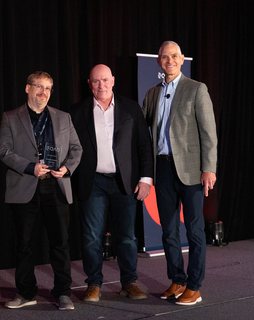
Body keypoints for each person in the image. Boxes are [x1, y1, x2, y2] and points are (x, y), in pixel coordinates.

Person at [0, 71, 82, 311]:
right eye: (38, 87)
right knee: (24, 244)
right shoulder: (10, 117)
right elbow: (2, 149)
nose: (43, 92)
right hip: (25, 184)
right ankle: (25, 293)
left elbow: (77, 148)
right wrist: (28, 167)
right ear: (27, 88)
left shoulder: (63, 118)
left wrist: (67, 168)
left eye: (48, 88)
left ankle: (63, 292)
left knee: (60, 243)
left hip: (55, 185)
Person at [142, 41, 217, 306]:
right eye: (164, 57)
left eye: (174, 56)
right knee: (169, 231)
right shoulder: (152, 93)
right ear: (158, 61)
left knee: (195, 231)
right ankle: (177, 279)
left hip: (191, 170)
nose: (169, 60)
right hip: (162, 168)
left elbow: (208, 132)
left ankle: (194, 286)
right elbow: (142, 131)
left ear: (182, 59)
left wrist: (209, 168)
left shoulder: (196, 89)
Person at [69, 64, 153, 302]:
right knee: (91, 237)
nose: (101, 85)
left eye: (105, 80)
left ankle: (129, 282)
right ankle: (94, 283)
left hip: (123, 182)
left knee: (127, 237)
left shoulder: (131, 108)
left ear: (113, 81)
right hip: (92, 182)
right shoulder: (77, 111)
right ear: (89, 84)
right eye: (96, 81)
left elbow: (144, 146)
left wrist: (145, 179)